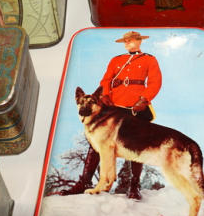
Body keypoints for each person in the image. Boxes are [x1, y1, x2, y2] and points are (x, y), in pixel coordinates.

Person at [63, 31, 162, 200]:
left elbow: (155, 82)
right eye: (125, 41)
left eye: (130, 40)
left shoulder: (149, 59)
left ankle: (134, 185)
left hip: (134, 105)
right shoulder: (116, 60)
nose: (127, 43)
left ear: (139, 41)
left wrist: (144, 99)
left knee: (135, 144)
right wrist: (106, 95)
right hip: (113, 104)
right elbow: (106, 80)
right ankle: (84, 182)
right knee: (97, 142)